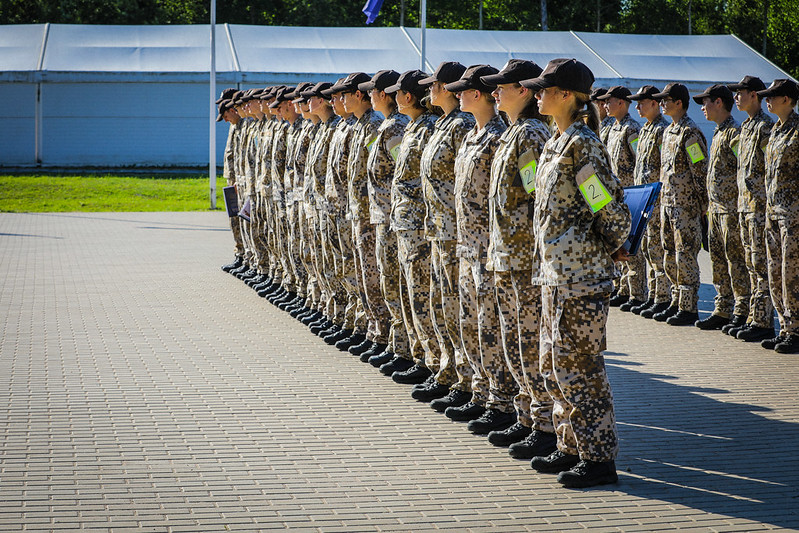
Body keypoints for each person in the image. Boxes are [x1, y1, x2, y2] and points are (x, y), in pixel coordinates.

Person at [522, 58, 630, 488]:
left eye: (545, 89)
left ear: (566, 95)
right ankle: (570, 446)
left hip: (581, 275)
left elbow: (605, 205)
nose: (538, 95)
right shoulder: (555, 141)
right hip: (555, 273)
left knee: (580, 367)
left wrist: (616, 243)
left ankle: (599, 458)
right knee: (554, 364)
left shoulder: (582, 145)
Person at [479, 59, 557, 458]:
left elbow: (533, 196)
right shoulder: (514, 134)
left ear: (523, 90)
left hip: (523, 257)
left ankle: (543, 424)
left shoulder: (529, 136)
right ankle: (527, 416)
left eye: (501, 87)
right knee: (515, 341)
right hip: (507, 255)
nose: (494, 93)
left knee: (529, 342)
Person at [440, 64, 515, 435]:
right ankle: (481, 392)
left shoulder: (500, 137)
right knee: (471, 325)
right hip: (468, 247)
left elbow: (524, 195)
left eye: (464, 90)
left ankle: (501, 401)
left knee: (490, 327)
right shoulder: (473, 135)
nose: (457, 95)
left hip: (490, 249)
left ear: (481, 94)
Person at [414, 61, 476, 404]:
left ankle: (466, 381)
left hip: (458, 233)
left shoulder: (462, 126)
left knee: (457, 310)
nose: (430, 91)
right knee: (442, 306)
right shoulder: (444, 124)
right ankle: (449, 372)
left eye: (434, 85)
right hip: (439, 229)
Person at [382, 70, 440, 381]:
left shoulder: (428, 129)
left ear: (408, 97)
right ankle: (418, 356)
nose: (393, 98)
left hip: (421, 227)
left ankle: (428, 362)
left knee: (422, 297)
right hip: (408, 224)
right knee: (410, 295)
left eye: (398, 92)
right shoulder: (415, 128)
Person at [359, 69, 410, 365]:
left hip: (392, 218)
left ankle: (398, 346)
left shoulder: (393, 128)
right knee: (385, 282)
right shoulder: (387, 126)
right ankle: (391, 342)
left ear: (386, 95)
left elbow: (398, 173)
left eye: (373, 91)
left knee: (393, 284)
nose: (369, 96)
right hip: (383, 216)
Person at [652, 82, 709, 326]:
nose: (662, 103)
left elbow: (699, 171)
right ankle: (676, 302)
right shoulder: (669, 131)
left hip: (686, 207)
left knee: (685, 255)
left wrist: (703, 205)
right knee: (669, 254)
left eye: (667, 99)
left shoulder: (690, 133)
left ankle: (688, 308)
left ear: (679, 103)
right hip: (667, 204)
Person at [692, 85, 749, 332]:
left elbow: (744, 169)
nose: (702, 108)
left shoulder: (736, 133)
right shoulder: (718, 133)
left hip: (731, 210)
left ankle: (741, 311)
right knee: (717, 262)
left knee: (735, 261)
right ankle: (723, 309)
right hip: (715, 210)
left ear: (718, 102)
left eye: (705, 103)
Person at [726, 76, 776, 342]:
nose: (736, 98)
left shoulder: (765, 128)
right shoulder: (746, 127)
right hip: (745, 207)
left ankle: (763, 321)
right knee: (748, 262)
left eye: (741, 93)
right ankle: (752, 316)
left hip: (759, 207)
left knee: (759, 264)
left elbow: (771, 168)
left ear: (754, 95)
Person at [341, 73, 387, 357]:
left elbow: (388, 169)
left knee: (374, 277)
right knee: (360, 274)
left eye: (342, 94)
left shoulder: (375, 127)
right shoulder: (360, 126)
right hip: (359, 211)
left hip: (374, 215)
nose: (339, 101)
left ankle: (381, 335)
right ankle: (371, 330)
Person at [758, 79, 799, 353]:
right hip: (773, 213)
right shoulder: (775, 130)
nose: (767, 100)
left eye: (772, 96)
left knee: (791, 274)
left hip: (793, 215)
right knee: (775, 271)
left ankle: (796, 330)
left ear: (787, 99)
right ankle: (784, 326)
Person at [596, 86, 646, 311]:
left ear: (623, 103)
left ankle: (637, 293)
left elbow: (639, 161)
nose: (605, 105)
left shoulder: (632, 129)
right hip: (617, 197)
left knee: (633, 248)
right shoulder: (614, 128)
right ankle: (624, 289)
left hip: (630, 196)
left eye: (610, 101)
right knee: (620, 244)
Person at [628, 85, 672, 318]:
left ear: (654, 104)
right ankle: (654, 295)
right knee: (647, 248)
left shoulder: (663, 131)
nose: (637, 107)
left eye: (641, 102)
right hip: (644, 199)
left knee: (657, 249)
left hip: (657, 200)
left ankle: (663, 298)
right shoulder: (646, 130)